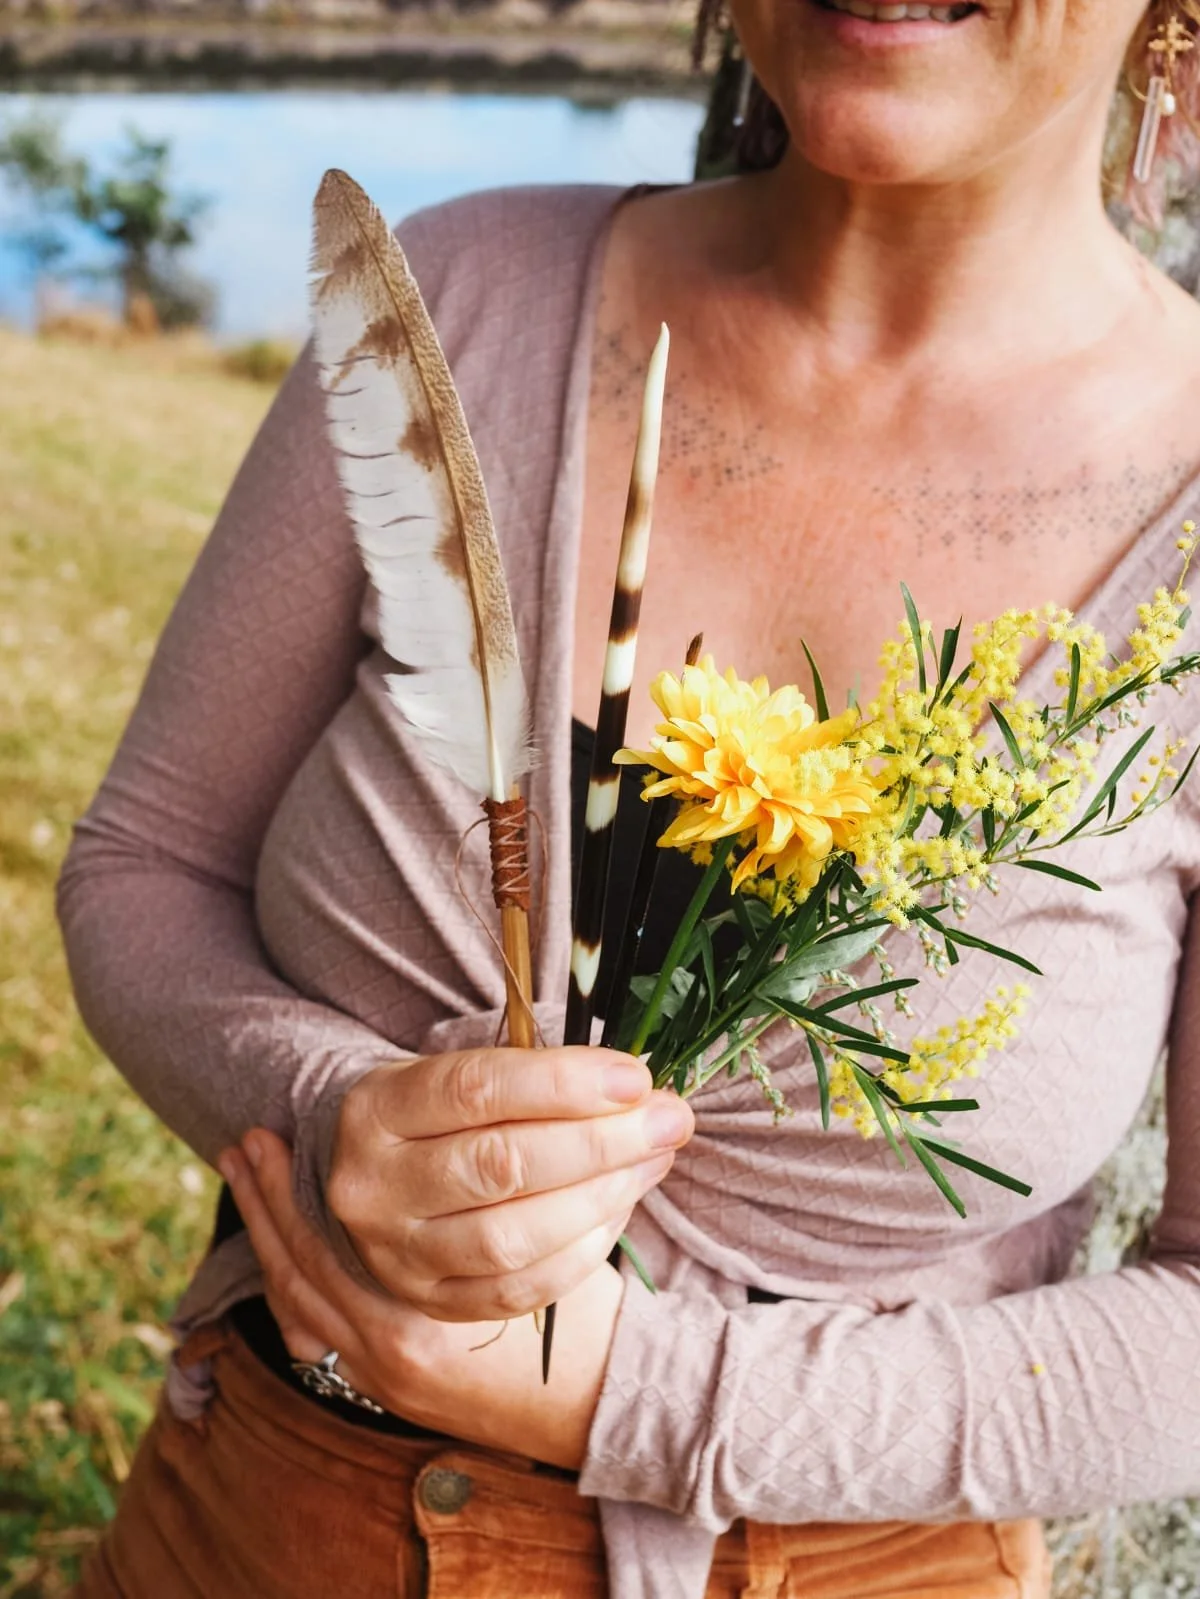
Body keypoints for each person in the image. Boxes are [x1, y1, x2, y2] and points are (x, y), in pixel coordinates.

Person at [60, 0, 1200, 1594]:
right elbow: (144, 864)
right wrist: (332, 1121)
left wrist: (634, 1393)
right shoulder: (450, 308)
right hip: (255, 1525)